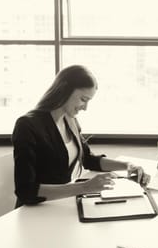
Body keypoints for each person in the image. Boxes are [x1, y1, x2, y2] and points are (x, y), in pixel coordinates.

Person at [12, 65, 150, 207]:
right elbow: (26, 191)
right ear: (64, 90)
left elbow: (88, 159)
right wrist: (84, 187)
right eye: (83, 99)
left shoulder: (70, 120)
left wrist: (128, 166)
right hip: (34, 210)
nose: (85, 107)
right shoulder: (27, 125)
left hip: (59, 205)